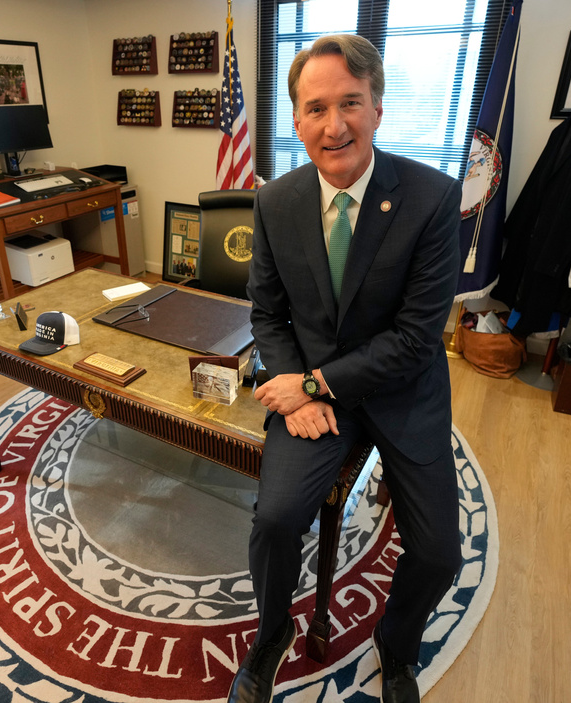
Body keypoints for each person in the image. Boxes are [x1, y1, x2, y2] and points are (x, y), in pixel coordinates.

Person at [227, 34, 463, 703]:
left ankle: (396, 645)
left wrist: (312, 382)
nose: (335, 125)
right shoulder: (275, 201)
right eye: (316, 107)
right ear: (297, 121)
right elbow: (266, 311)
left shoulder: (432, 199)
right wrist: (298, 386)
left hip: (401, 390)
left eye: (351, 103)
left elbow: (418, 339)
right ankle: (271, 637)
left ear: (379, 108)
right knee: (274, 519)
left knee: (440, 548)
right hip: (317, 395)